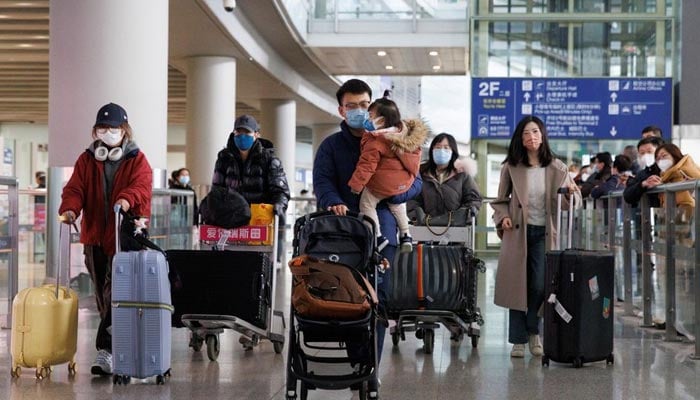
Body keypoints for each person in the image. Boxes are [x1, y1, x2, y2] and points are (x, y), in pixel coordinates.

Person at [313, 78, 423, 366]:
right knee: (348, 295)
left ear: (373, 106)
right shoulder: (331, 146)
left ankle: (370, 365)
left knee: (378, 295)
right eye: (352, 106)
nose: (360, 111)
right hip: (343, 227)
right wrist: (331, 200)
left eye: (364, 105)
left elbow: (416, 182)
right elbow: (322, 181)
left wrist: (395, 193)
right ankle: (356, 358)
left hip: (382, 225)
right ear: (341, 110)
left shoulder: (395, 140)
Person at [58, 102, 153, 375]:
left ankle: (106, 350)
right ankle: (115, 343)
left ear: (124, 130)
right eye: (103, 127)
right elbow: (75, 187)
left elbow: (142, 186)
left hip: (125, 235)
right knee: (102, 293)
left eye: (113, 128)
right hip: (95, 237)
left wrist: (126, 200)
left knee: (117, 292)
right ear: (95, 131)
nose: (108, 132)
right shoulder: (87, 159)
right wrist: (70, 208)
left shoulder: (137, 159)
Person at [490, 115, 580, 358]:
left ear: (543, 135)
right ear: (520, 138)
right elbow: (499, 201)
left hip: (544, 233)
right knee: (517, 286)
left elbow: (573, 200)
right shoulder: (511, 166)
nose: (532, 137)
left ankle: (534, 332)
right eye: (527, 133)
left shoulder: (557, 168)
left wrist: (571, 193)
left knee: (540, 284)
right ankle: (518, 340)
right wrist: (503, 217)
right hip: (517, 233)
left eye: (536, 132)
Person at [348, 97, 427, 253]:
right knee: (397, 205)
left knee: (366, 204)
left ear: (381, 121)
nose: (366, 118)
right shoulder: (405, 137)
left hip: (381, 185)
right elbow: (413, 165)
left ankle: (377, 236)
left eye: (370, 115)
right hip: (402, 184)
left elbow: (367, 166)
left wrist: (356, 186)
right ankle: (406, 235)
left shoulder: (376, 140)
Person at [211, 114, 290, 221]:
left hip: (260, 218)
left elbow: (281, 191)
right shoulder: (224, 158)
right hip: (232, 219)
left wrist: (279, 205)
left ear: (256, 135)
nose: (242, 136)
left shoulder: (269, 160)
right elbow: (217, 189)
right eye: (238, 132)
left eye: (247, 132)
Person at [407, 132, 482, 224]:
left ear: (452, 151)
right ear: (432, 150)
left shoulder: (462, 176)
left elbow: (473, 200)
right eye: (438, 147)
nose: (441, 151)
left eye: (446, 148)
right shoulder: (421, 175)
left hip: (456, 230)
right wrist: (418, 216)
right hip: (426, 229)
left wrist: (462, 215)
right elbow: (412, 200)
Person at [623, 136, 664, 208]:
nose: (645, 155)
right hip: (647, 214)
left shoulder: (668, 169)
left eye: (649, 152)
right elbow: (627, 195)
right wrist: (642, 184)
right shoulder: (642, 174)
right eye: (642, 153)